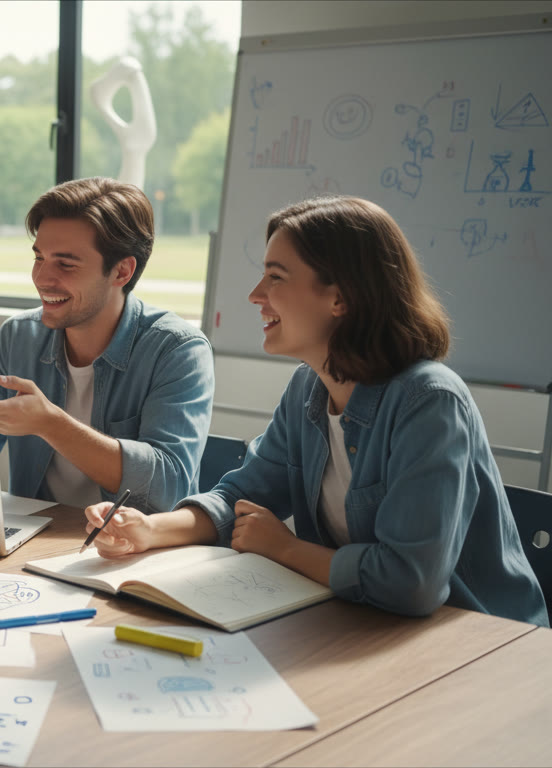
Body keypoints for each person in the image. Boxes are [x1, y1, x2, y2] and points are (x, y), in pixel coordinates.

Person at [87, 195, 548, 626]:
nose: (255, 294)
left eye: (276, 277)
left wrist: (285, 548)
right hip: (363, 623)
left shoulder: (429, 401)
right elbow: (242, 497)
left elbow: (411, 583)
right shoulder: (310, 385)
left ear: (340, 297)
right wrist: (151, 530)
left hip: (479, 641)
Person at [0, 177, 214, 514]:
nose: (42, 278)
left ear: (121, 271)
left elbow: (168, 486)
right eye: (39, 258)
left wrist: (51, 423)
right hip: (34, 540)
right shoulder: (19, 337)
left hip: (133, 550)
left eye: (65, 264)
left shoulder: (178, 350)